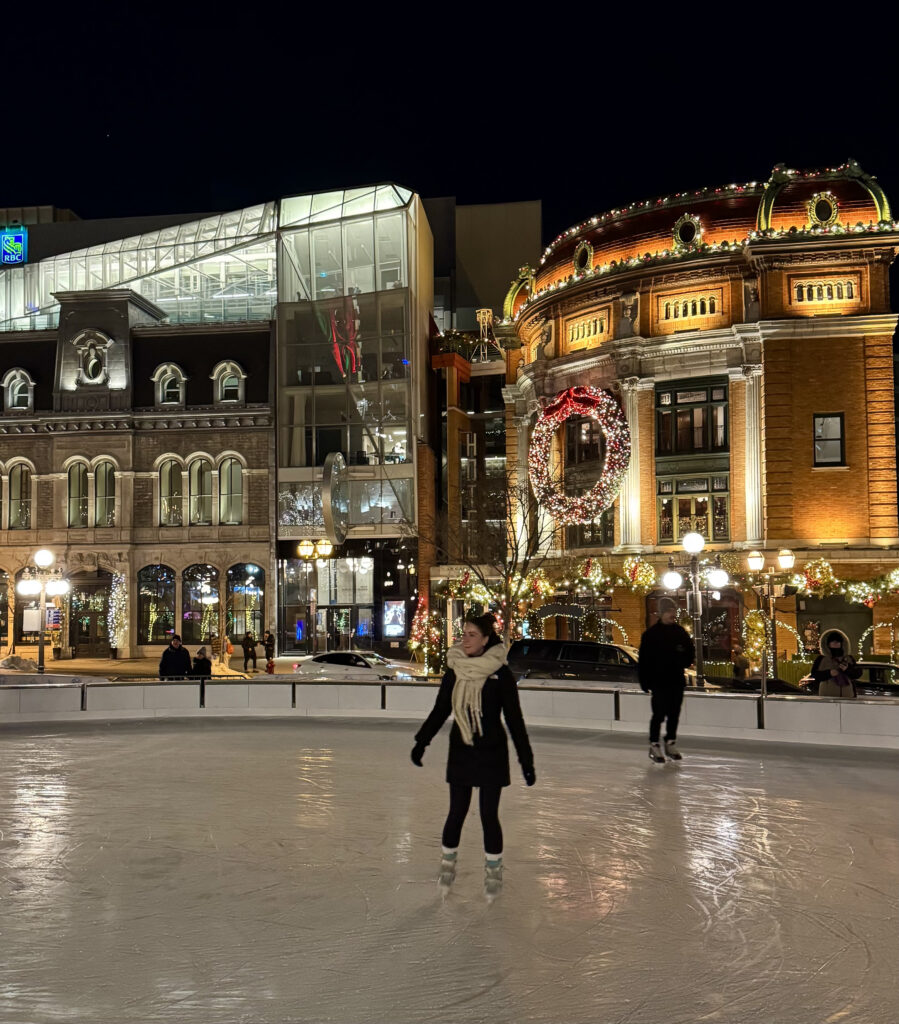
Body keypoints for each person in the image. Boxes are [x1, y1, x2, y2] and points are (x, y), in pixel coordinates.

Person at [410, 613, 535, 900]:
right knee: (457, 812)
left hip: (492, 752)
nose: (464, 639)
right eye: (463, 633)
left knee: (489, 816)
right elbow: (441, 709)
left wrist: (525, 761)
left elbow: (515, 719)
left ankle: (493, 871)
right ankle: (447, 865)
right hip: (463, 749)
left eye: (471, 634)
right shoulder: (455, 670)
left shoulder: (501, 674)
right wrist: (422, 742)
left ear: (486, 639)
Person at [638, 597, 695, 763]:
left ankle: (670, 741)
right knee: (659, 714)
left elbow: (689, 652)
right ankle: (654, 744)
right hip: (658, 681)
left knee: (674, 713)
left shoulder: (680, 632)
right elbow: (644, 660)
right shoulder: (651, 635)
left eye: (674, 611)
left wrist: (683, 660)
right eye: (670, 611)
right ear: (662, 613)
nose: (673, 614)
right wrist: (645, 681)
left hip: (676, 680)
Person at [811, 629, 861, 698]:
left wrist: (847, 669)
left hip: (848, 696)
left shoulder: (848, 658)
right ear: (828, 644)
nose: (836, 643)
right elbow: (814, 674)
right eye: (833, 641)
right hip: (827, 697)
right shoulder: (822, 659)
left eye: (838, 642)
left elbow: (858, 673)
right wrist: (829, 673)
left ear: (841, 643)